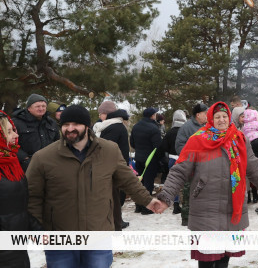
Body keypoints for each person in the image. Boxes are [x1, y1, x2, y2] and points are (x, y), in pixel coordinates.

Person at [27, 105, 161, 268]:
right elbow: (32, 196)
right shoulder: (43, 157)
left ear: (87, 126)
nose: (70, 129)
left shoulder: (109, 150)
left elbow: (128, 180)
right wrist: (37, 229)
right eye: (65, 125)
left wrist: (147, 200)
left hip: (98, 233)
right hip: (60, 237)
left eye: (75, 124)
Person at [156, 102, 258, 268]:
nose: (221, 120)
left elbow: (253, 167)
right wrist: (166, 196)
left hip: (232, 208)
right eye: (217, 117)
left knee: (224, 259)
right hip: (206, 208)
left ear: (230, 118)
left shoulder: (240, 139)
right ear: (210, 119)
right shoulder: (197, 140)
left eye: (224, 116)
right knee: (207, 259)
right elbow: (179, 171)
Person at [0, 110, 41, 268]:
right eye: (8, 131)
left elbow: (18, 206)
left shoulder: (10, 161)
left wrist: (37, 228)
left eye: (14, 130)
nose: (16, 136)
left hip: (17, 247)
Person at [94, 100, 132, 230]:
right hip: (114, 166)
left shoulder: (113, 127)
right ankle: (116, 222)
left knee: (113, 197)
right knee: (113, 197)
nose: (99, 116)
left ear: (107, 113)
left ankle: (115, 224)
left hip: (111, 168)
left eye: (101, 113)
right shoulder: (115, 125)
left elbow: (104, 148)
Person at [176, 102, 209, 227]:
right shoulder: (187, 127)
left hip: (205, 165)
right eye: (205, 113)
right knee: (188, 190)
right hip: (191, 165)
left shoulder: (207, 126)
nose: (207, 115)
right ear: (198, 114)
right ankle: (186, 217)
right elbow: (179, 146)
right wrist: (193, 155)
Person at [12, 93, 59, 171]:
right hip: (25, 167)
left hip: (49, 164)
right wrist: (24, 158)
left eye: (43, 106)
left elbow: (58, 142)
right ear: (29, 108)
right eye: (37, 106)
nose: (41, 108)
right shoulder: (16, 123)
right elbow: (10, 144)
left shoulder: (52, 123)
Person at [130, 106, 162, 214]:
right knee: (148, 183)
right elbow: (158, 147)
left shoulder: (136, 127)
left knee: (140, 183)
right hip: (150, 160)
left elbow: (132, 143)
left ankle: (138, 205)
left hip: (138, 158)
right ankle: (146, 207)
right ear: (152, 116)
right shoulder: (154, 128)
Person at [157, 109, 187, 214]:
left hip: (173, 159)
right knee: (187, 183)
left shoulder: (169, 133)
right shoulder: (186, 131)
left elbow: (163, 147)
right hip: (185, 160)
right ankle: (187, 204)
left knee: (174, 183)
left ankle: (176, 204)